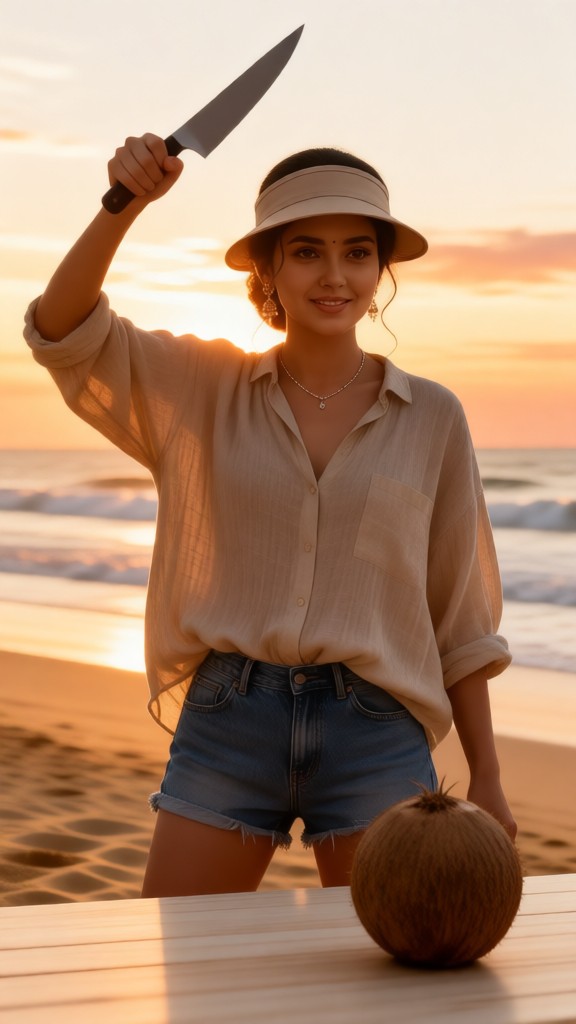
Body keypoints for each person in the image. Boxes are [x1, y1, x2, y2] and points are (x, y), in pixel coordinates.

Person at [24, 133, 516, 897]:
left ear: (380, 271)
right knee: (188, 983)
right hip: (229, 719)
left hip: (375, 729)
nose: (334, 275)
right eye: (306, 252)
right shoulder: (201, 389)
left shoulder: (434, 418)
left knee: (382, 991)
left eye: (357, 252)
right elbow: (61, 332)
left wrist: (488, 774)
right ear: (269, 270)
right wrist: (123, 206)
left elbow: (460, 616)